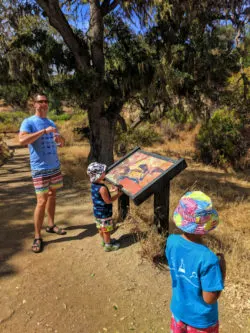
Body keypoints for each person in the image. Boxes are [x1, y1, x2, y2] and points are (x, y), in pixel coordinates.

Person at [166, 191, 226, 333]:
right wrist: (222, 270)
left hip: (178, 313)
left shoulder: (171, 241)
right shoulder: (209, 259)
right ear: (206, 227)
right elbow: (209, 299)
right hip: (201, 322)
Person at [19, 93, 66, 253]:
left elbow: (61, 142)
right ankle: (37, 236)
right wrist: (43, 131)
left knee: (53, 195)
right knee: (41, 201)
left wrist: (60, 140)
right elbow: (22, 140)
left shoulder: (51, 121)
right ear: (34, 104)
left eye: (46, 101)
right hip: (39, 168)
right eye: (41, 101)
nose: (44, 104)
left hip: (54, 166)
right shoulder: (29, 122)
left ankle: (51, 225)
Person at [87, 162, 123, 252]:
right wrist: (118, 194)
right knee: (106, 230)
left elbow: (101, 195)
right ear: (98, 175)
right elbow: (108, 200)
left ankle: (104, 241)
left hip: (97, 212)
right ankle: (108, 245)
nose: (105, 173)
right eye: (103, 172)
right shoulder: (102, 188)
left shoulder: (94, 185)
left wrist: (111, 190)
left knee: (100, 228)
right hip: (104, 213)